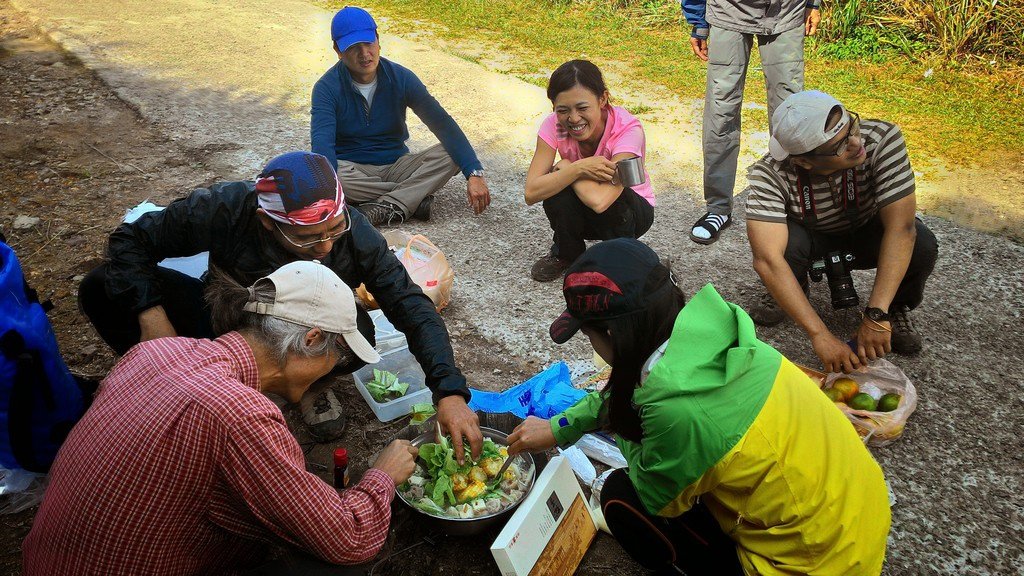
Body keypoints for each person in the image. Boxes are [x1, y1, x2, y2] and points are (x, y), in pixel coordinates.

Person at [507, 239, 891, 575]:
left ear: (611, 334)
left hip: (815, 565)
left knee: (620, 495)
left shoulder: (679, 412)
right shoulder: (716, 334)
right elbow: (629, 391)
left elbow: (662, 499)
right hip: (856, 522)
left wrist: (620, 430)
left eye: (588, 333)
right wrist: (561, 426)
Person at [78, 150, 483, 462]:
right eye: (308, 239)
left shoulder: (355, 234)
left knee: (362, 333)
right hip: (229, 317)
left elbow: (409, 304)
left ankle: (307, 388)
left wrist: (449, 392)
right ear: (268, 223)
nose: (325, 247)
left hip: (305, 329)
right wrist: (153, 318)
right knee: (101, 286)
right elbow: (130, 239)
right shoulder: (225, 209)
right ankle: (171, 380)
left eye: (333, 230)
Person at [24, 261, 419, 575]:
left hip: (48, 561)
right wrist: (380, 477)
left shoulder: (157, 352)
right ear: (312, 339)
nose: (331, 372)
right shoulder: (239, 414)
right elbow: (348, 538)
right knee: (350, 562)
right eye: (338, 358)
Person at [745, 90, 938, 373]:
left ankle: (894, 307)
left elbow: (901, 228)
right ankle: (791, 289)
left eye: (852, 128)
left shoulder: (881, 138)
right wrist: (819, 335)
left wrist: (875, 314)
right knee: (781, 250)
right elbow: (767, 260)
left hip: (867, 230)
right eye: (839, 146)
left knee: (921, 243)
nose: (857, 144)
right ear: (803, 162)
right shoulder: (769, 174)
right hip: (811, 238)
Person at [311, 6, 490, 226]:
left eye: (368, 43)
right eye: (354, 47)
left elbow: (443, 125)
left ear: (378, 40)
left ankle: (386, 203)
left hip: (398, 165)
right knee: (329, 174)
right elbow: (322, 146)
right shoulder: (326, 88)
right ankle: (411, 200)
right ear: (338, 50)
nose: (364, 53)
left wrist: (474, 172)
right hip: (352, 169)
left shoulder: (401, 78)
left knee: (451, 154)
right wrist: (329, 188)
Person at [682, 0, 820, 244]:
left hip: (786, 11)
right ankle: (718, 209)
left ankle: (791, 208)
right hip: (728, 10)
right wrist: (698, 22)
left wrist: (813, 3)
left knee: (790, 112)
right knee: (721, 110)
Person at [524, 60, 655, 282]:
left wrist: (567, 168)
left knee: (607, 197)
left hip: (631, 212)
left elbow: (602, 201)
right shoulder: (553, 125)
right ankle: (567, 254)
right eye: (562, 110)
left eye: (582, 108)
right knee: (556, 193)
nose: (573, 119)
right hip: (588, 207)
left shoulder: (628, 129)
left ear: (602, 99)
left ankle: (622, 257)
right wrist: (577, 168)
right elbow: (531, 192)